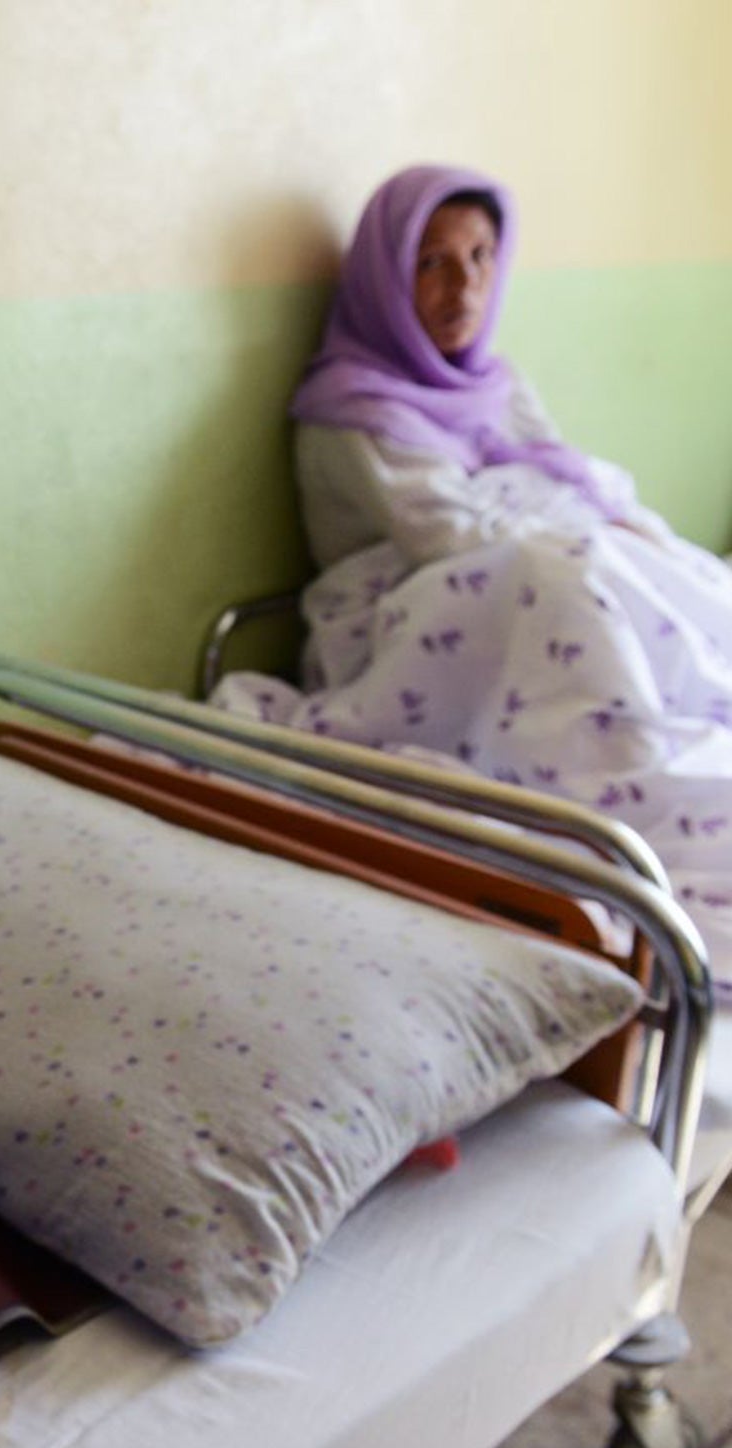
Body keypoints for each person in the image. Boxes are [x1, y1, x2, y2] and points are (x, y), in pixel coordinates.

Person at [211, 163, 732, 996]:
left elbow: (558, 478)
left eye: (482, 257)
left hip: (512, 582)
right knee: (562, 568)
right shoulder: (349, 410)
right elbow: (441, 532)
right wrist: (569, 527)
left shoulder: (494, 382)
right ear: (387, 278)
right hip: (396, 618)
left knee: (644, 553)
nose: (465, 287)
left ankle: (670, 712)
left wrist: (614, 526)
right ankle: (619, 764)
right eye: (433, 263)